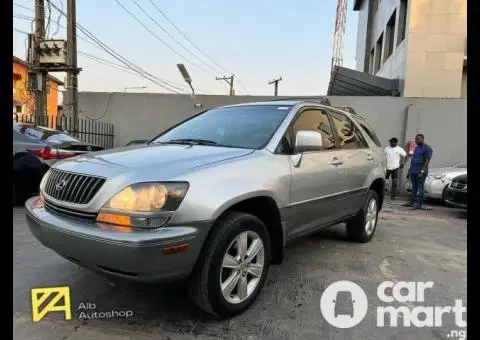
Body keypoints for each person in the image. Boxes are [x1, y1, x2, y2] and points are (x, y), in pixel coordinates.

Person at [403, 134, 433, 209]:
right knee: (414, 187)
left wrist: (422, 171)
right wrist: (410, 169)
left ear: (423, 139)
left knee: (420, 187)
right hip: (413, 170)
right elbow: (413, 158)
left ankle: (419, 204)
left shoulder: (427, 148)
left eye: (418, 139)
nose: (416, 141)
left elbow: (427, 160)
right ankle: (411, 202)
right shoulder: (416, 148)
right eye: (416, 139)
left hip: (421, 171)